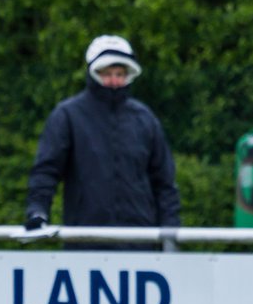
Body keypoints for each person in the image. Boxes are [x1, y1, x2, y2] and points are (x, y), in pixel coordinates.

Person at [24, 35, 181, 249]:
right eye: (107, 74)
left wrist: (170, 235)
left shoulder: (145, 118)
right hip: (84, 242)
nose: (114, 81)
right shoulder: (68, 115)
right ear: (93, 73)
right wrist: (37, 211)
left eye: (119, 74)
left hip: (139, 244)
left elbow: (165, 184)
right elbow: (46, 172)